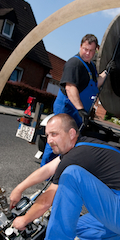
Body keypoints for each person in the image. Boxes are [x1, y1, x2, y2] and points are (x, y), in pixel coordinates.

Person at [10, 113, 120, 240]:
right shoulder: (81, 147)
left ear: (71, 134)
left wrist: (24, 219)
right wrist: (19, 188)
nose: (49, 140)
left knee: (72, 175)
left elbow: (49, 198)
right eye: (47, 135)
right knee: (77, 225)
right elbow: (48, 169)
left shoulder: (77, 155)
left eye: (54, 134)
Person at [40, 34, 109, 166]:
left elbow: (95, 83)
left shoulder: (91, 67)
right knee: (57, 140)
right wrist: (81, 109)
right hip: (67, 110)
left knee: (69, 143)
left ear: (96, 51)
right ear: (80, 46)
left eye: (91, 51)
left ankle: (59, 170)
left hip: (77, 112)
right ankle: (46, 172)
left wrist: (107, 72)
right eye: (85, 49)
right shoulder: (74, 64)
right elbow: (70, 88)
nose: (87, 53)